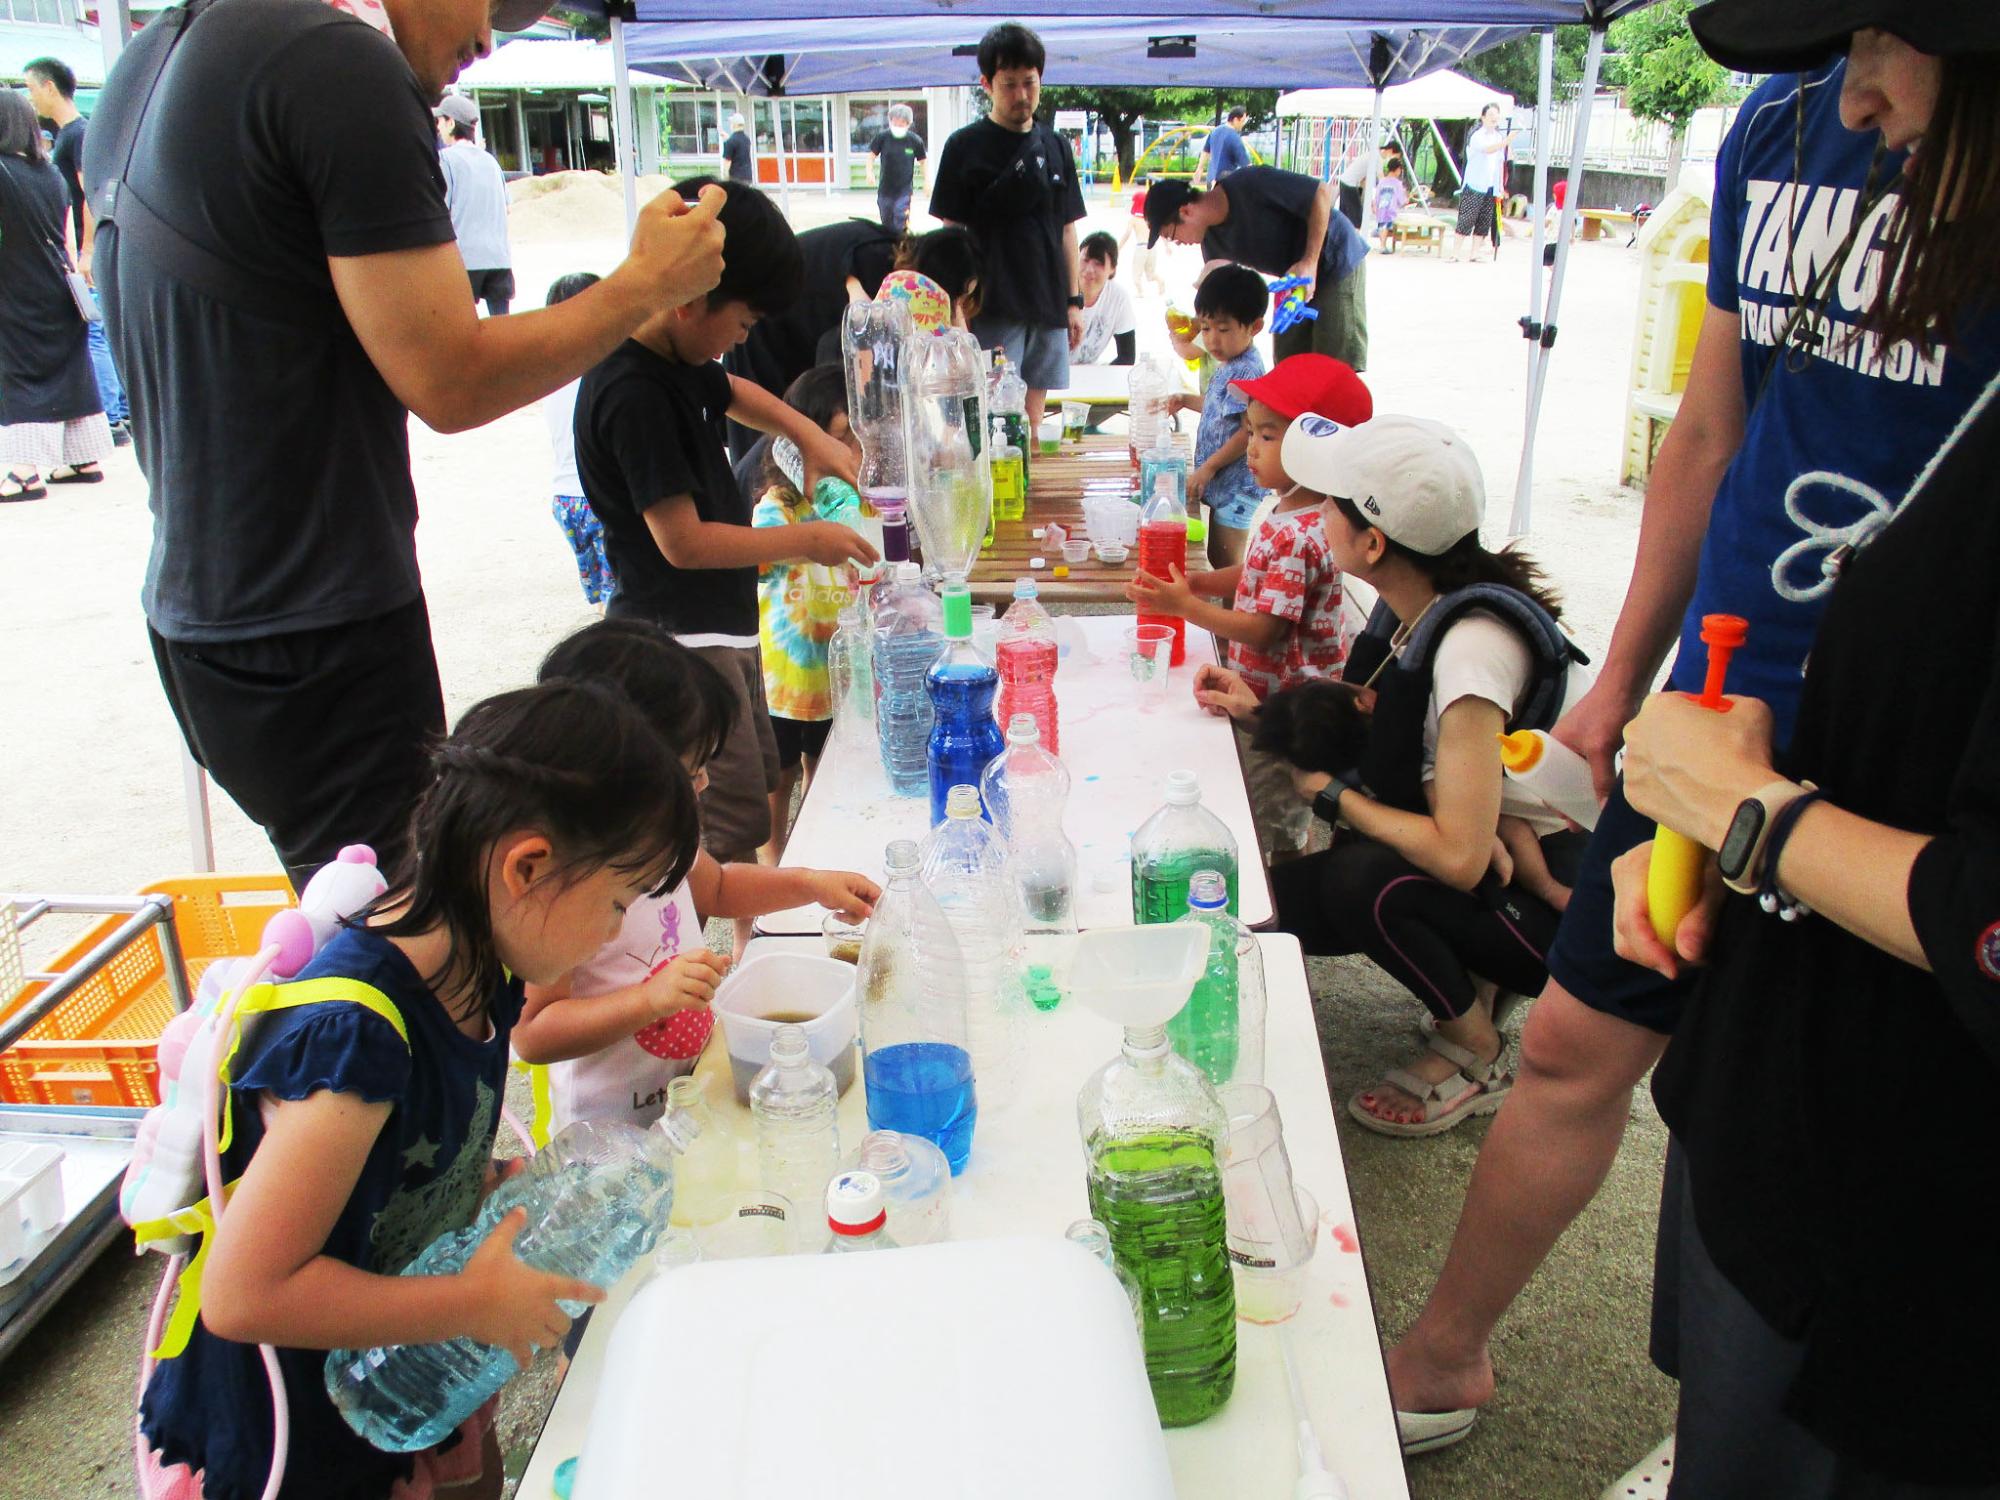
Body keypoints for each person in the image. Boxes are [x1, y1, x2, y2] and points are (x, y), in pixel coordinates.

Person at [1383, 12, 2000, 1464]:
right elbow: (1711, 436)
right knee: (1599, 1046)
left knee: (1838, 1134)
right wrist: (1620, 692)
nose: (1854, 87)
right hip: (1714, 720)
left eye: (1884, 35)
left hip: (1906, 755)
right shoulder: (1776, 129)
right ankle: (1448, 1353)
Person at [84, 0, 727, 891]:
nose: (491, 38)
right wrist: (642, 287)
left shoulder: (155, 55)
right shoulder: (335, 63)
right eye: (499, 2)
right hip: (316, 627)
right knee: (422, 953)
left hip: (209, 628)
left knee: (356, 918)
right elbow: (450, 380)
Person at [136, 680, 700, 1500]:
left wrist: (485, 1194)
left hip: (402, 1356)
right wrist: (469, 1300)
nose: (616, 931)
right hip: (305, 1420)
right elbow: (244, 1292)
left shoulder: (484, 979)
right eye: (616, 902)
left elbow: (411, 1157)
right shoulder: (359, 1038)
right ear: (528, 866)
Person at [1192, 417, 1592, 1137]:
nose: (1314, 514)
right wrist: (1262, 715)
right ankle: (1473, 989)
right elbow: (1379, 739)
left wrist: (1332, 795)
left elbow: (1465, 857)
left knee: (1358, 881)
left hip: (1557, 915)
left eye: (1330, 504)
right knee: (1275, 911)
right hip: (1503, 865)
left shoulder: (1469, 654)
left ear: (1372, 543)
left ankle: (1478, 1048)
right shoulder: (1415, 602)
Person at [572, 176, 874, 962]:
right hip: (681, 639)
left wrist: (806, 430)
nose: (738, 339)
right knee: (725, 816)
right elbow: (683, 543)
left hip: (722, 630)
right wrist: (804, 543)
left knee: (753, 789)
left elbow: (732, 389)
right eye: (736, 321)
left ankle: (751, 948)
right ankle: (724, 960)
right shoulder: (630, 390)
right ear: (686, 300)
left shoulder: (674, 357)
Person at [515, 620, 878, 1131]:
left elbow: (721, 887)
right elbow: (534, 1033)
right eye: (690, 772)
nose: (705, 783)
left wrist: (811, 884)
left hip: (688, 1092)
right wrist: (649, 1000)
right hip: (606, 1134)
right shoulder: (568, 889)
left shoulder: (662, 840)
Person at [1128, 353, 1373, 863]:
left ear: (1317, 446)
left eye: (1267, 436)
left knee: (1273, 814)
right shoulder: (1300, 508)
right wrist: (1198, 581)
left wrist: (1185, 605)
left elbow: (1265, 630)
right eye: (1251, 431)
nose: (1251, 450)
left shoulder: (1299, 531)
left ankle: (1284, 908)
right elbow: (1256, 576)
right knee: (1286, 809)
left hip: (1283, 710)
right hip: (1273, 696)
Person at [928, 22, 1087, 435]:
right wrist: (955, 307)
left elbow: (1068, 229)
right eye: (1009, 84)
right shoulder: (963, 147)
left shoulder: (1056, 146)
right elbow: (951, 235)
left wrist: (1074, 302)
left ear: (1041, 79)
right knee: (991, 417)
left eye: (1029, 83)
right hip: (992, 304)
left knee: (1034, 417)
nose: (1021, 96)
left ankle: (1030, 494)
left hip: (1048, 302)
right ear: (987, 84)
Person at [724, 221, 982, 461]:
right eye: (958, 298)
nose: (958, 308)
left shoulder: (893, 265)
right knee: (767, 436)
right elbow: (860, 345)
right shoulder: (879, 268)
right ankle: (751, 498)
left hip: (800, 328)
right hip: (765, 327)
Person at [749, 366, 862, 857]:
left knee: (824, 781)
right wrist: (819, 537)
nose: (851, 454)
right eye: (840, 440)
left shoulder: (858, 501)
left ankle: (814, 864)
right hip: (785, 683)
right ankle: (763, 901)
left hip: (835, 677)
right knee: (776, 788)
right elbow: (765, 553)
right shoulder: (778, 506)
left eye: (857, 441)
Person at [0, 89, 111, 504]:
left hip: (16, 290)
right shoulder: (49, 174)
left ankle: (23, 472)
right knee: (70, 371)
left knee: (21, 374)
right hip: (58, 287)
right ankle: (83, 460)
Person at [1146, 164, 1370, 370]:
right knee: (1288, 364)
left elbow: (1322, 193)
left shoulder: (1248, 183)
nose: (1178, 243)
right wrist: (1198, 325)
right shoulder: (1211, 241)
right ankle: (1297, 413)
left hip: (1335, 258)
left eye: (1172, 235)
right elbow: (1219, 300)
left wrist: (1309, 262)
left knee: (1334, 365)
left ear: (1186, 211)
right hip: (1292, 279)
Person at [22, 55, 129, 446]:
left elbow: (88, 194)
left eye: (32, 88)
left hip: (86, 250)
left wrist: (86, 250)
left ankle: (114, 415)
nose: (30, 98)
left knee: (95, 332)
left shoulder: (75, 135)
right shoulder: (72, 134)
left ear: (49, 86)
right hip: (84, 248)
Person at [1163, 264, 1267, 566]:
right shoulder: (1229, 362)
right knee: (1217, 557)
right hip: (1225, 483)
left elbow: (1247, 431)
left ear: (1254, 327)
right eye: (1206, 329)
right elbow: (1217, 408)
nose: (1211, 340)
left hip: (1237, 487)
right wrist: (1185, 399)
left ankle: (1237, 612)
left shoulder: (1247, 370)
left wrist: (1207, 468)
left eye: (1223, 330)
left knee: (1227, 563)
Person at [540, 271, 613, 610]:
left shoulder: (550, 372)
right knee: (622, 596)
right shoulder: (607, 369)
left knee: (603, 595)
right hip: (599, 498)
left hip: (565, 501)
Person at [434, 93, 514, 316]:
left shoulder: (445, 159)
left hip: (464, 259)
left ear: (451, 123)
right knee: (502, 328)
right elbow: (507, 207)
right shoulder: (491, 161)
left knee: (463, 329)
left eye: (440, 121)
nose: (438, 128)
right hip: (499, 258)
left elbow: (441, 207)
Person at [1452, 104, 1514, 263]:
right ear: (1483, 117)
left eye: (1496, 115)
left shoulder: (1498, 137)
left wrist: (1500, 185)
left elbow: (1500, 162)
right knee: (1467, 217)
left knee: (1484, 219)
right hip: (1475, 183)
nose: (1494, 118)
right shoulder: (1477, 136)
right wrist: (1505, 142)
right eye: (1491, 114)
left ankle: (1474, 253)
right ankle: (1455, 253)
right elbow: (1488, 150)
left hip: (1491, 185)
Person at [1074, 231, 1137, 367]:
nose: (1089, 269)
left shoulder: (1118, 298)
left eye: (1098, 263)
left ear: (1112, 269)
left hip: (1087, 376)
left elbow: (1127, 357)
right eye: (1085, 260)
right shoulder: (1059, 290)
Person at [867, 103, 926, 234]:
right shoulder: (883, 137)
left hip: (904, 191)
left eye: (902, 124)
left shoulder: (914, 141)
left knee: (901, 219)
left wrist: (927, 182)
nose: (898, 126)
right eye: (895, 123)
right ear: (890, 121)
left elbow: (923, 162)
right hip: (885, 189)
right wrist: (869, 172)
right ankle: (888, 248)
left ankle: (902, 248)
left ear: (908, 124)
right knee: (886, 222)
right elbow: (871, 156)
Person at [1117, 172, 1168, 298]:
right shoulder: (1150, 219)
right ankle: (1160, 281)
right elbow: (1160, 232)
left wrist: (1118, 248)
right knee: (1150, 274)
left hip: (1141, 247)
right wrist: (1167, 246)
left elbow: (1127, 234)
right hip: (1152, 247)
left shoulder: (1134, 220)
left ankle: (1140, 292)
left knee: (1136, 273)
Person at [1198, 105, 1252, 187]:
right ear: (1235, 120)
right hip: (1225, 182)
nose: (1243, 124)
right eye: (1242, 121)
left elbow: (1206, 151)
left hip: (1211, 179)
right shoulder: (1234, 138)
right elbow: (1246, 165)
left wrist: (1200, 168)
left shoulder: (1215, 131)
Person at [1374, 158, 1410, 253]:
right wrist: (1406, 200)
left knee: (1382, 225)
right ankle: (1382, 246)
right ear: (1398, 170)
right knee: (1386, 226)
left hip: (1381, 207)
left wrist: (1375, 206)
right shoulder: (1397, 184)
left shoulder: (1382, 181)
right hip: (1391, 209)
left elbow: (1377, 195)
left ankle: (1382, 245)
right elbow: (1401, 199)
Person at [722, 112, 753, 184]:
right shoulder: (747, 139)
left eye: (731, 123)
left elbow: (727, 162)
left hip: (735, 179)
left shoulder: (730, 142)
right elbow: (738, 147)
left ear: (734, 125)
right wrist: (728, 138)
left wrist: (725, 179)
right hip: (747, 176)